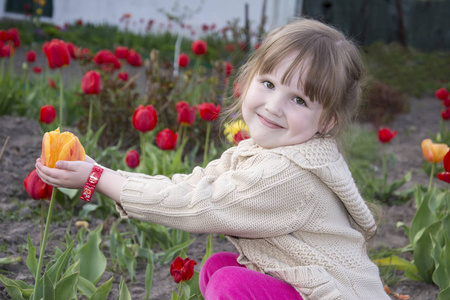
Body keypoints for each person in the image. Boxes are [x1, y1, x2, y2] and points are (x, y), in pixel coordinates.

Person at [36, 18, 389, 300]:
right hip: (309, 284)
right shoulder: (264, 152)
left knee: (232, 287)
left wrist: (99, 179)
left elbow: (197, 205)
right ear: (248, 78)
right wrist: (102, 172)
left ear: (326, 121)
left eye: (299, 100)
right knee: (217, 267)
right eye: (268, 84)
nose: (273, 105)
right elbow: (189, 186)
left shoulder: (290, 175)